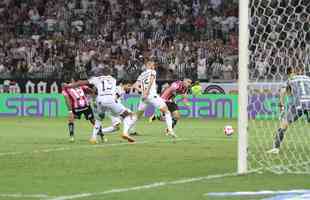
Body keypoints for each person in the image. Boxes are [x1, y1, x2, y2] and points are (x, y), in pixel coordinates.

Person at [64, 68, 137, 143]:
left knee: (98, 119)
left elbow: (81, 82)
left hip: (100, 100)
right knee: (129, 115)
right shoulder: (113, 79)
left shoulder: (96, 79)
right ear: (109, 73)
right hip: (110, 99)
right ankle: (125, 133)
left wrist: (69, 86)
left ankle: (93, 138)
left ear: (101, 73)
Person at [267, 67, 310, 154]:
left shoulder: (290, 80)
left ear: (289, 74)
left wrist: (281, 105)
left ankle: (276, 148)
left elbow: (282, 92)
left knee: (284, 124)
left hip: (298, 104)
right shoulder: (307, 78)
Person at [133, 60, 176, 137]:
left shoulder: (141, 75)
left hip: (144, 97)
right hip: (152, 95)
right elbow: (151, 81)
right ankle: (170, 130)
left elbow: (135, 86)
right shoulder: (152, 72)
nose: (154, 67)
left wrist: (143, 91)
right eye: (152, 65)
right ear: (149, 65)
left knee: (137, 115)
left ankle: (130, 130)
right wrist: (147, 91)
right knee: (167, 112)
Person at [62, 76, 96, 142]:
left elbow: (67, 100)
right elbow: (90, 91)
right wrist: (94, 89)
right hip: (86, 106)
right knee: (93, 121)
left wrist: (70, 111)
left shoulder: (66, 88)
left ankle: (71, 137)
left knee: (71, 119)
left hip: (77, 108)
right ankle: (102, 136)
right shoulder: (81, 85)